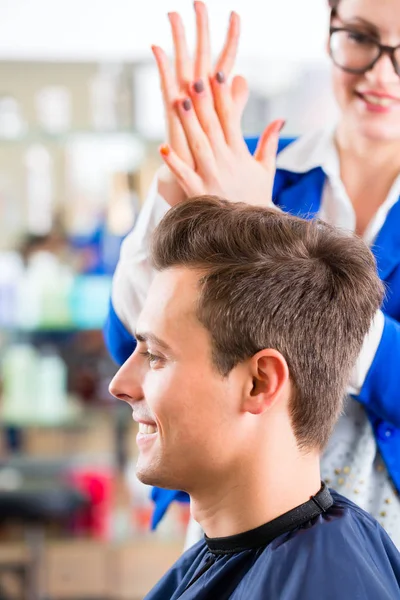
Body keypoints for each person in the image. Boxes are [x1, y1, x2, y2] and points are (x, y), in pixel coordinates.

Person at [104, 0, 400, 546]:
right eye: (360, 37)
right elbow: (137, 342)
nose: (381, 72)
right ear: (331, 28)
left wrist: (267, 235)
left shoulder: (257, 197)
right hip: (240, 515)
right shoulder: (251, 168)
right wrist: (176, 188)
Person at [108, 196, 400, 600]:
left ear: (259, 383)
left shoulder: (325, 583)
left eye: (155, 356)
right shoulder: (223, 556)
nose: (119, 385)